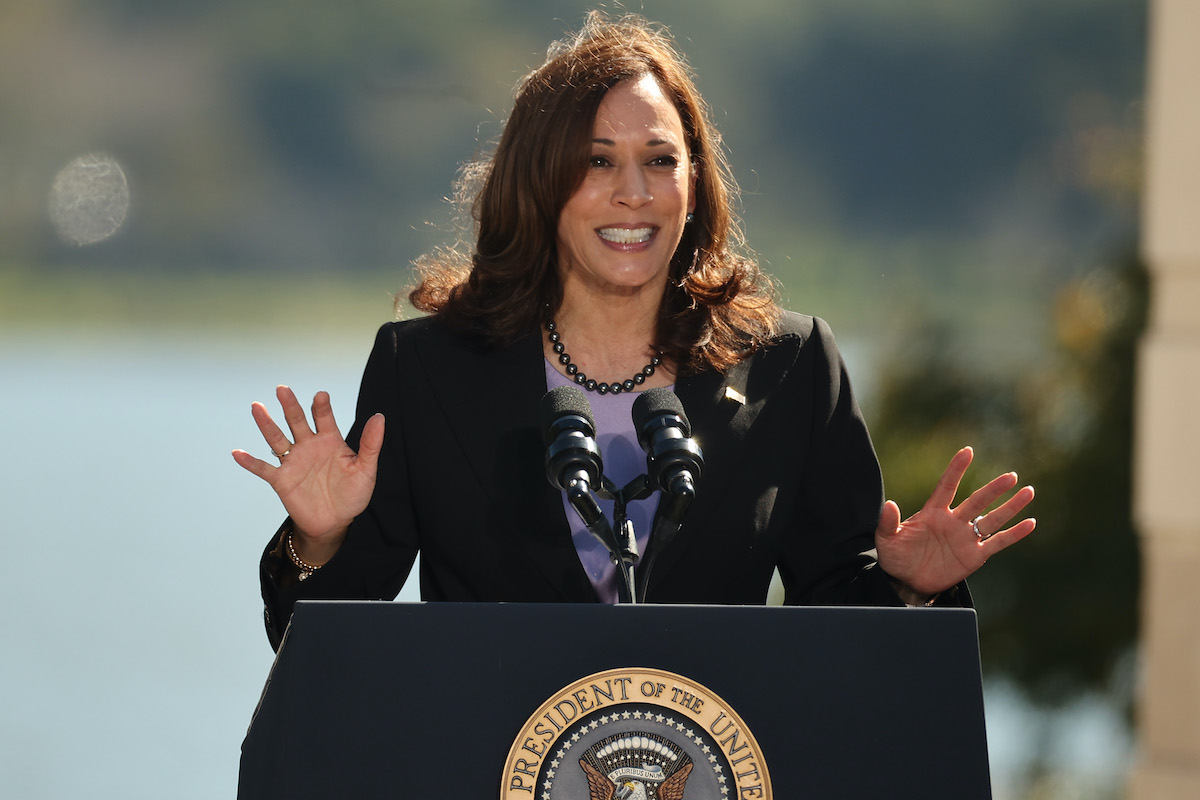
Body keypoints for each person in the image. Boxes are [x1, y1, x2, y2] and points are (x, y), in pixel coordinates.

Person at [233, 12, 1035, 651]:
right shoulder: (425, 369)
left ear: (695, 183)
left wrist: (911, 588)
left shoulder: (792, 368)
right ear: (538, 182)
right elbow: (322, 646)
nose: (632, 193)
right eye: (595, 161)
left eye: (659, 160)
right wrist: (319, 542)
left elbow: (844, 636)